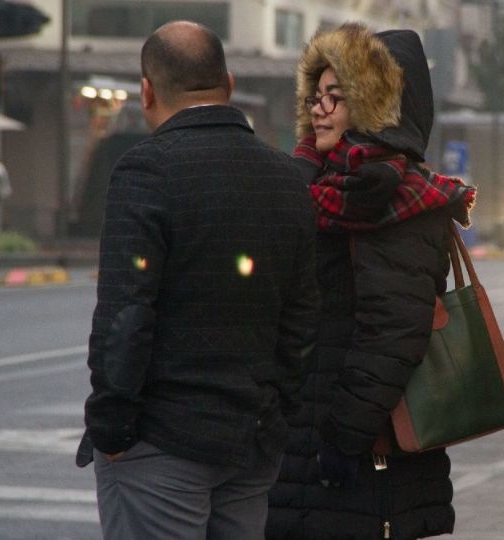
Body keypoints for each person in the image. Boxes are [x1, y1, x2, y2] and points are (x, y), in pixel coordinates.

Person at [75, 21, 319, 539]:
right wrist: (276, 413)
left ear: (146, 91)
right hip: (252, 442)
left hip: (163, 443)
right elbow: (302, 316)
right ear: (228, 84)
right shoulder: (287, 178)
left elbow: (126, 311)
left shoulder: (145, 171)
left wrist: (111, 426)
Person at [266, 23, 475, 540]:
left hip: (363, 455)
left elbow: (394, 332)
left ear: (376, 104)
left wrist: (343, 439)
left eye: (336, 97)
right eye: (315, 96)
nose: (318, 108)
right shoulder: (321, 185)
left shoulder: (398, 200)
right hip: (302, 446)